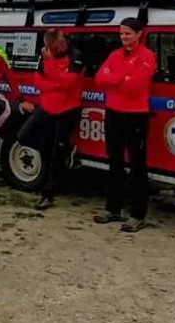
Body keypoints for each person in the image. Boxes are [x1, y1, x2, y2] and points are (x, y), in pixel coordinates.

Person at [93, 17, 156, 232]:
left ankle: (138, 214)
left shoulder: (147, 56)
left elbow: (136, 85)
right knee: (115, 162)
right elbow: (99, 78)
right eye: (121, 33)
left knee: (137, 165)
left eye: (127, 33)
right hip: (114, 113)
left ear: (139, 33)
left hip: (136, 115)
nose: (123, 37)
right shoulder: (115, 54)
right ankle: (113, 208)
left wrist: (115, 78)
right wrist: (121, 78)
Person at [18, 29, 83, 210]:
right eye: (51, 48)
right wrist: (55, 83)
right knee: (24, 136)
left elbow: (70, 82)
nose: (55, 50)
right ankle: (56, 151)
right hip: (46, 106)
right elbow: (38, 80)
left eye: (57, 46)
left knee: (56, 151)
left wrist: (51, 66)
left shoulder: (75, 55)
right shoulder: (45, 55)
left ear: (62, 42)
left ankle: (48, 194)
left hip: (67, 109)